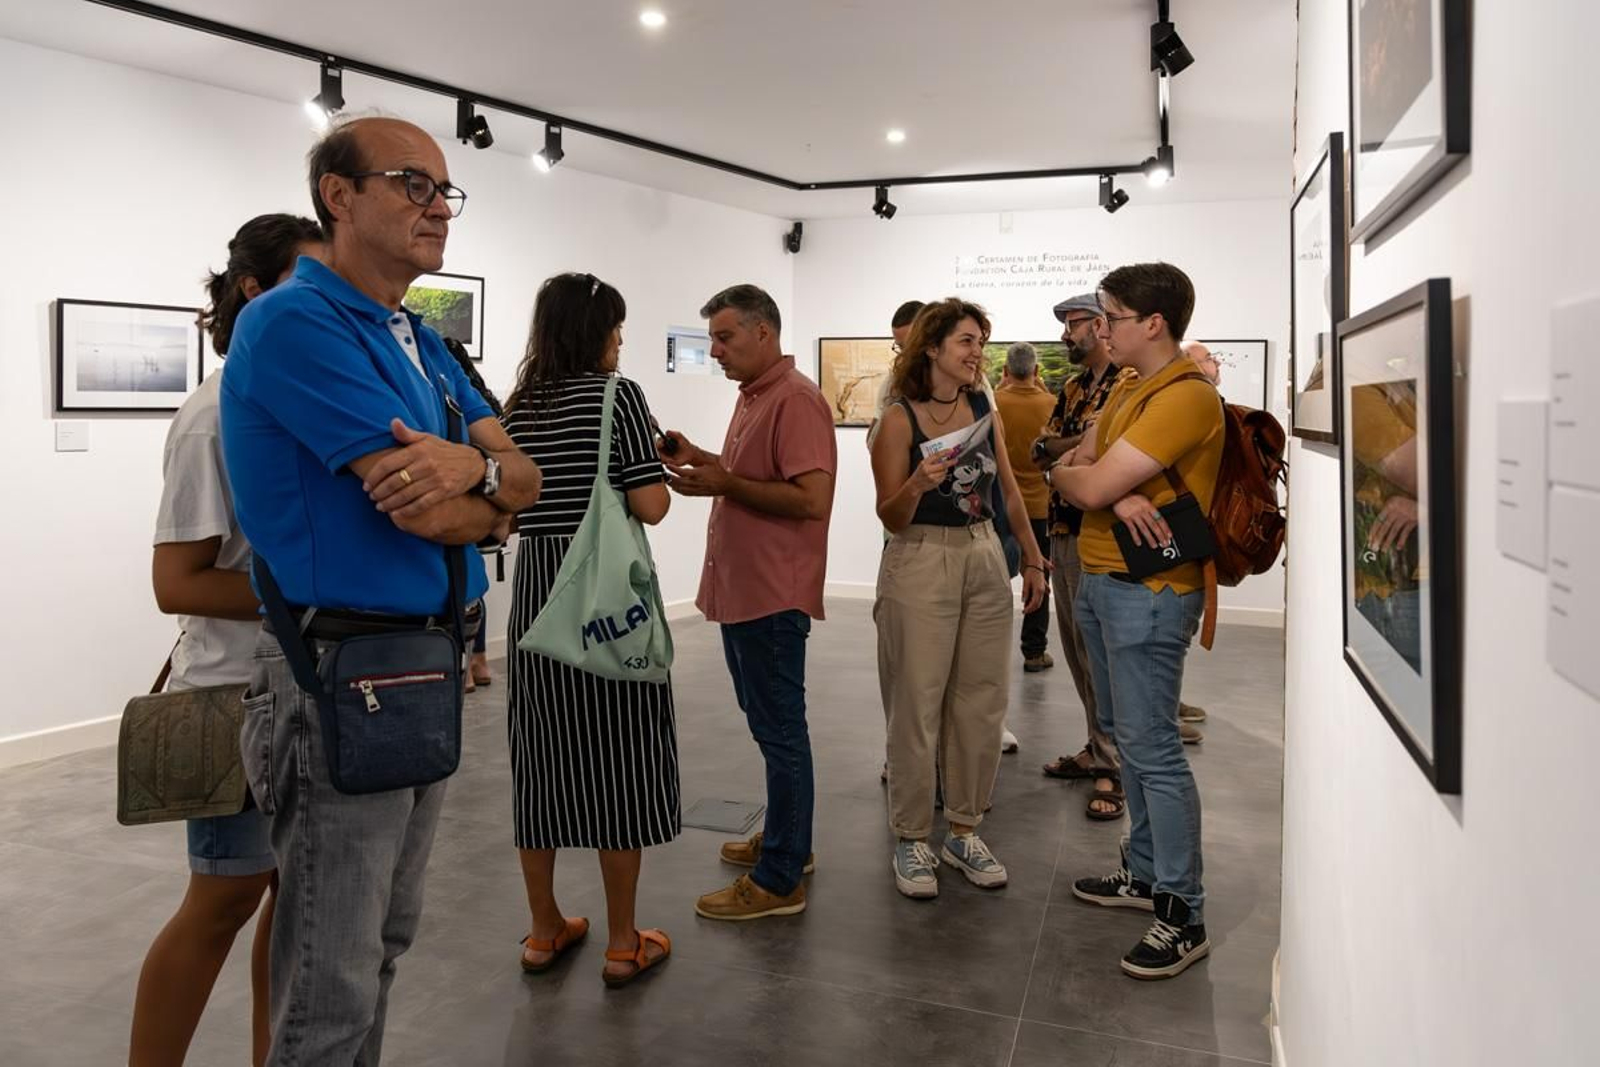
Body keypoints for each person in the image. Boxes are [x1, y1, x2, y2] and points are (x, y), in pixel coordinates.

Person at [220, 116, 542, 1061]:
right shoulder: (291, 322)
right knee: (330, 976)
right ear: (339, 195)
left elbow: (522, 474)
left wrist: (482, 480)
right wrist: (487, 492)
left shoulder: (420, 338)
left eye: (446, 191)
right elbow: (425, 512)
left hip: (417, 662)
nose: (437, 208)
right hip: (336, 673)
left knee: (381, 948)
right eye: (413, 183)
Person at [130, 213, 323, 1067]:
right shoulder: (213, 415)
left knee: (291, 899)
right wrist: (318, 590)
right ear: (254, 289)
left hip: (299, 688)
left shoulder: (287, 399)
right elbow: (178, 580)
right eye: (307, 281)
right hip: (228, 695)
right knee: (222, 897)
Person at [500, 272, 679, 986]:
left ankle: (545, 930)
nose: (621, 339)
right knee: (620, 761)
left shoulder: (516, 412)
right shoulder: (618, 397)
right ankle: (622, 941)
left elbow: (509, 514)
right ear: (592, 331)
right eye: (615, 326)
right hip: (604, 596)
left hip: (540, 599)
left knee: (539, 761)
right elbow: (652, 505)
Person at [1046, 262, 1223, 980]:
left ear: (1153, 323)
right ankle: (1147, 871)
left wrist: (1096, 481)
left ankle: (1182, 910)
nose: (1099, 328)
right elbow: (1069, 464)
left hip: (1148, 591)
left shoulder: (1186, 398)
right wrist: (1111, 493)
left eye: (1111, 316)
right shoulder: (1126, 386)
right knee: (1129, 739)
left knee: (1153, 751)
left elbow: (1084, 472)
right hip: (1103, 578)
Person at [657, 284, 836, 921]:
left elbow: (812, 500)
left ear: (765, 333)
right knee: (774, 731)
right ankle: (792, 841)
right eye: (712, 339)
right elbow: (756, 482)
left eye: (726, 337)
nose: (716, 351)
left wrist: (726, 482)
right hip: (748, 592)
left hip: (770, 595)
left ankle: (781, 877)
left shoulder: (797, 400)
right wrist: (705, 462)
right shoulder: (757, 397)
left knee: (782, 733)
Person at [870, 298, 1048, 900]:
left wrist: (1030, 554)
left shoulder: (981, 408)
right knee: (916, 702)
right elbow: (890, 515)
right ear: (932, 349)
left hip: (982, 555)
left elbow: (1010, 491)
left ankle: (964, 829)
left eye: (981, 342)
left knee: (981, 700)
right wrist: (919, 482)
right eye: (968, 342)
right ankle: (912, 837)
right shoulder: (898, 420)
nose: (978, 353)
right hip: (920, 556)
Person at [440, 335, 503, 692]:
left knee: (463, 575)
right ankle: (477, 662)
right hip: (480, 504)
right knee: (472, 578)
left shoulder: (448, 402)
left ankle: (467, 666)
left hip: (465, 505)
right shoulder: (482, 404)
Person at [993, 341, 1058, 673]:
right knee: (1038, 575)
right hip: (1040, 506)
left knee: (994, 576)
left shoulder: (994, 403)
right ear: (1036, 371)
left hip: (1002, 504)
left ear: (1005, 371)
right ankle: (1034, 652)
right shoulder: (1053, 403)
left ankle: (988, 646)